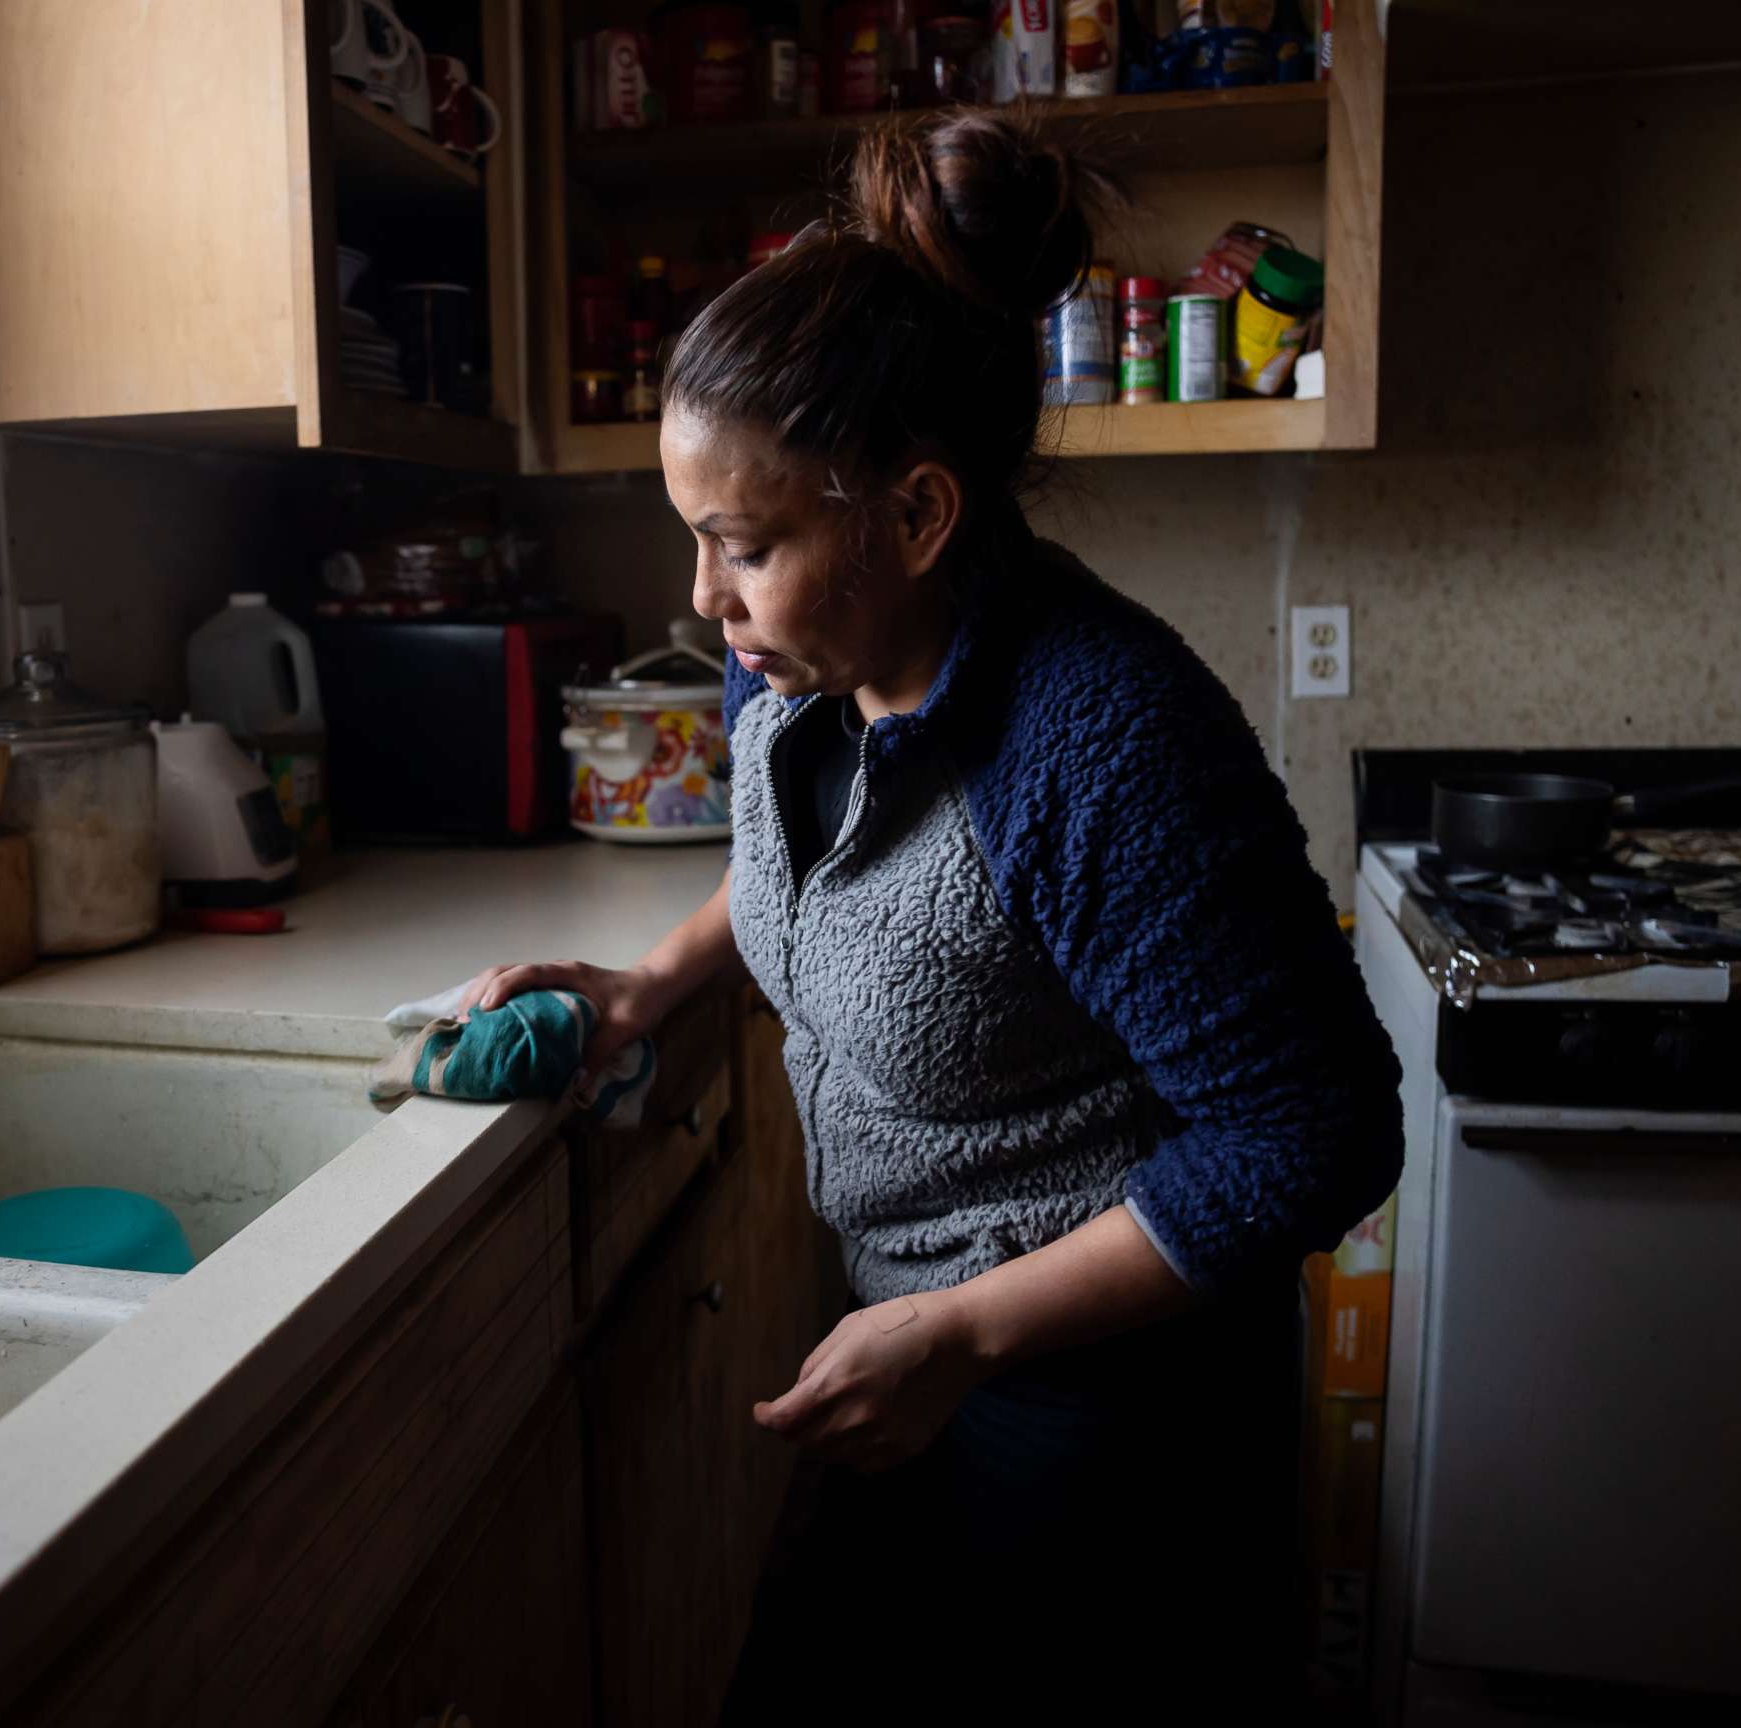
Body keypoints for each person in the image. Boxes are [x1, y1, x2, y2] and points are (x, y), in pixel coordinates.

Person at [472, 112, 1404, 1717]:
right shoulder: (797, 671)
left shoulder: (1104, 742)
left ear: (915, 518)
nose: (705, 600)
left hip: (1114, 1419)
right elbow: (799, 871)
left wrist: (966, 1335)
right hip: (928, 1355)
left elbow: (1315, 1133)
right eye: (695, 539)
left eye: (742, 546)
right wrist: (646, 986)